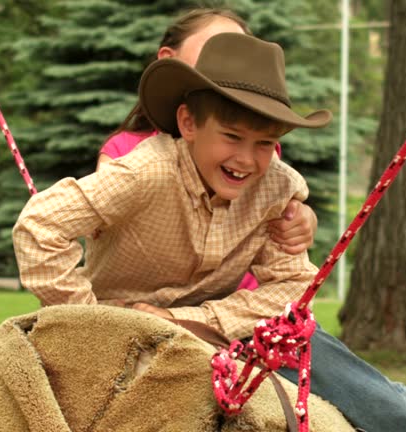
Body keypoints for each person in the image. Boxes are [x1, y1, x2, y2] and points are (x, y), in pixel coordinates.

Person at [14, 33, 406, 432]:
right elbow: (40, 226)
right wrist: (93, 324)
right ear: (188, 123)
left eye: (265, 143)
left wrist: (189, 319)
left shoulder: (276, 188)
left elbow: (292, 289)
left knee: (374, 398)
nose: (247, 159)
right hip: (127, 335)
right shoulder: (145, 172)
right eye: (232, 137)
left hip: (231, 333)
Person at [96, 9, 318, 290]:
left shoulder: (253, 153)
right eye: (213, 50)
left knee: (313, 334)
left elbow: (277, 209)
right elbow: (102, 223)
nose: (228, 64)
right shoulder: (126, 151)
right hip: (153, 310)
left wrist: (302, 219)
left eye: (240, 57)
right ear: (169, 59)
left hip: (240, 305)